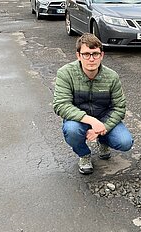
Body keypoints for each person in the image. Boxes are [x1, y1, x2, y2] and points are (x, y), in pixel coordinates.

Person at [53, 33, 133, 174]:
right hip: (78, 119)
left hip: (104, 117)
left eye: (95, 54)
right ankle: (84, 154)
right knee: (72, 131)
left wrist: (102, 127)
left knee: (125, 141)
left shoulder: (112, 76)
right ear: (78, 55)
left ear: (102, 55)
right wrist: (91, 121)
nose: (91, 59)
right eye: (86, 54)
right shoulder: (65, 73)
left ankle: (103, 140)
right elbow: (61, 104)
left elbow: (119, 107)